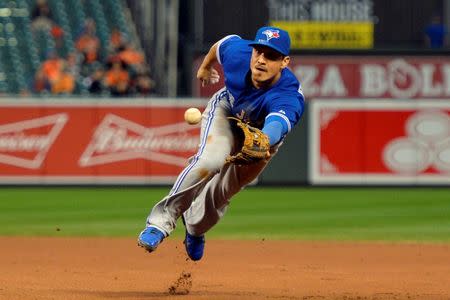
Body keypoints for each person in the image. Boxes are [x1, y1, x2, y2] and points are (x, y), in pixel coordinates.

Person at [137, 26, 305, 261]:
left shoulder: (289, 94)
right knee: (210, 161)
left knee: (224, 190)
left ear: (285, 61)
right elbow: (222, 43)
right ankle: (160, 223)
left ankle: (195, 228)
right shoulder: (238, 54)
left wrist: (264, 140)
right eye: (259, 52)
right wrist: (205, 67)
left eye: (271, 56)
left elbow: (277, 123)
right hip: (227, 111)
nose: (261, 60)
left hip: (261, 136)